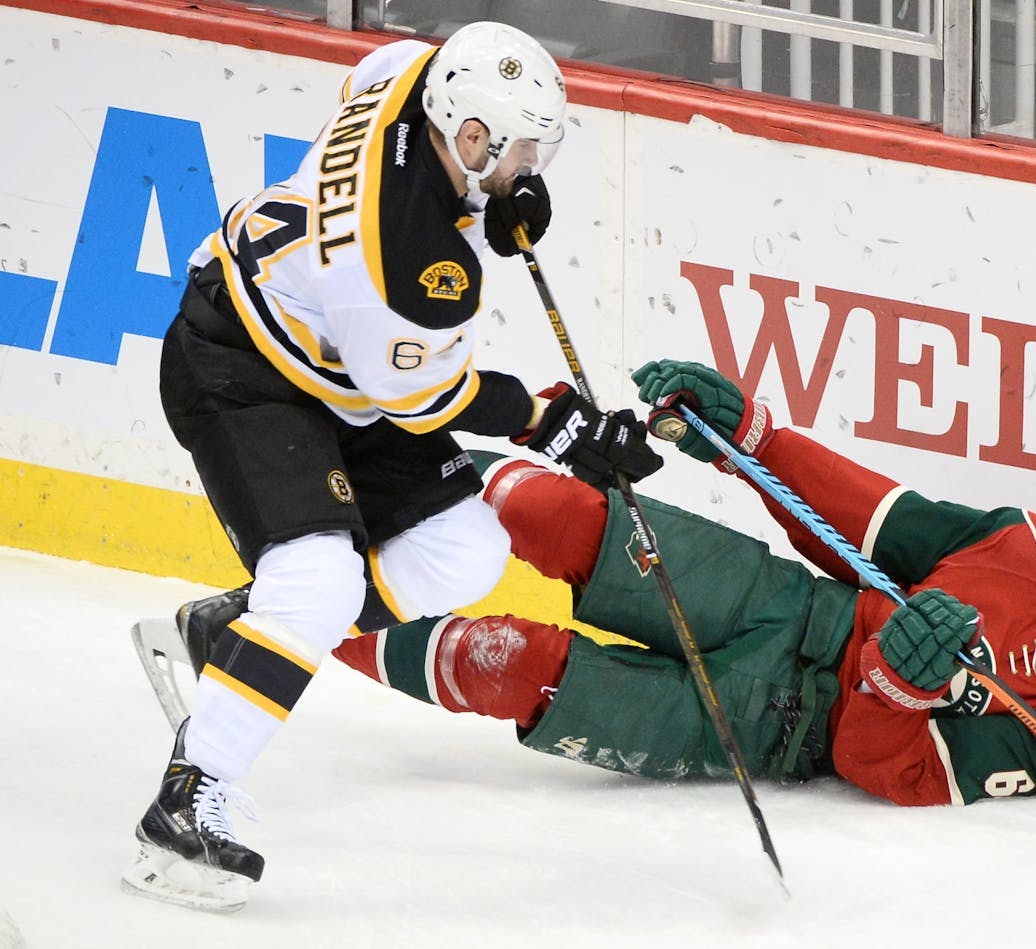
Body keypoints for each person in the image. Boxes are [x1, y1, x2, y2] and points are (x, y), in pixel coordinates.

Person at [123, 22, 662, 912]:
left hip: (329, 354)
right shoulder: (412, 267)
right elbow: (422, 399)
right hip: (242, 369)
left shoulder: (408, 72)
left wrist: (485, 209)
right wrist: (552, 423)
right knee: (319, 581)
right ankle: (180, 807)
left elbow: (376, 108)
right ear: (473, 136)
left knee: (465, 550)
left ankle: (231, 636)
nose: (533, 163)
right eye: (521, 148)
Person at [327, 358, 1036, 807]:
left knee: (506, 662)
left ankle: (304, 624)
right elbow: (867, 518)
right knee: (561, 513)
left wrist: (895, 686)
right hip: (780, 600)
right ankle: (353, 461)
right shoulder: (1023, 550)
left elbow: (872, 764)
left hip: (777, 726)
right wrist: (755, 441)